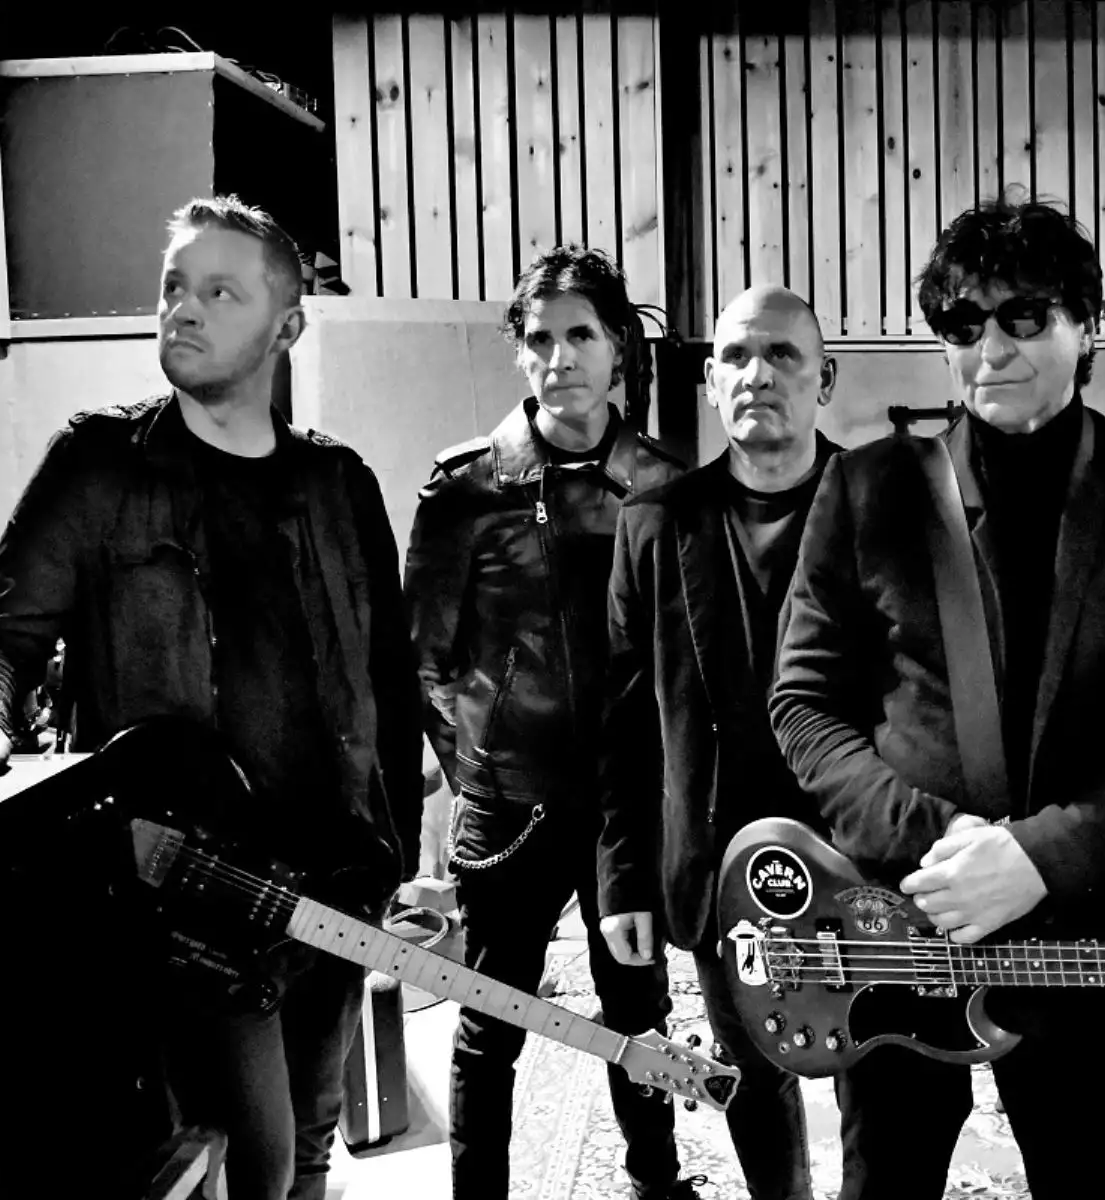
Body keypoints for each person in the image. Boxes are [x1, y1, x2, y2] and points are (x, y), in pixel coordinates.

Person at [0, 195, 422, 1200]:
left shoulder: (340, 483)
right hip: (193, 902)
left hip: (334, 881)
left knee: (314, 1142)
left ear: (286, 325)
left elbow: (388, 682)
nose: (182, 307)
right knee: (255, 1163)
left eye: (221, 292)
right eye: (175, 285)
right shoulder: (99, 464)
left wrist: (390, 860)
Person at [769, 198, 1105, 1199]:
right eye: (964, 324)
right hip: (899, 917)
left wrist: (1040, 855)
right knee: (887, 1180)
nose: (991, 348)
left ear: (1084, 323)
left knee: (1086, 1177)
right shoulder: (866, 487)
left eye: (1024, 316)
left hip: (1080, 923)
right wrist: (945, 843)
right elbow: (805, 705)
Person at [403, 245, 700, 1199]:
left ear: (618, 349)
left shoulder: (667, 486)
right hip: (509, 806)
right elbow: (426, 659)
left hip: (628, 809)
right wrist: (477, 772)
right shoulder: (465, 489)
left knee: (640, 1015)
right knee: (489, 1025)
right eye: (539, 339)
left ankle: (657, 1181)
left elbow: (683, 660)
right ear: (519, 353)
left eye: (581, 335)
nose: (559, 357)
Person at [597, 284, 842, 1200]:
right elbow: (623, 722)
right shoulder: (656, 522)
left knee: (880, 1080)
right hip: (719, 863)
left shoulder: (881, 505)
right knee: (757, 1076)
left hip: (862, 858)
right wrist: (624, 878)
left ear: (825, 379)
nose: (757, 374)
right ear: (708, 381)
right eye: (735, 356)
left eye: (782, 354)